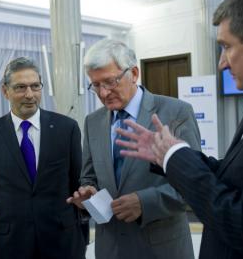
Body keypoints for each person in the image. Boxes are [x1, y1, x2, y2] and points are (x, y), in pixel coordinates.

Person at [116, 0, 243, 258]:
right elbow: (236, 177)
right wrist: (171, 155)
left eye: (227, 46)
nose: (222, 62)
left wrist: (175, 157)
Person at [67, 39, 201, 259]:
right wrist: (88, 192)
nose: (103, 93)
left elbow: (194, 184)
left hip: (161, 249)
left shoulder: (176, 113)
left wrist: (144, 202)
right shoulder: (93, 121)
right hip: (110, 248)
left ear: (134, 73)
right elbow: (89, 176)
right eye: (96, 85)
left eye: (110, 82)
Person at [0, 57, 86, 259]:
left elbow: (77, 184)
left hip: (63, 241)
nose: (29, 95)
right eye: (20, 87)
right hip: (11, 244)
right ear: (5, 91)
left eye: (35, 86)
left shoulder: (67, 128)